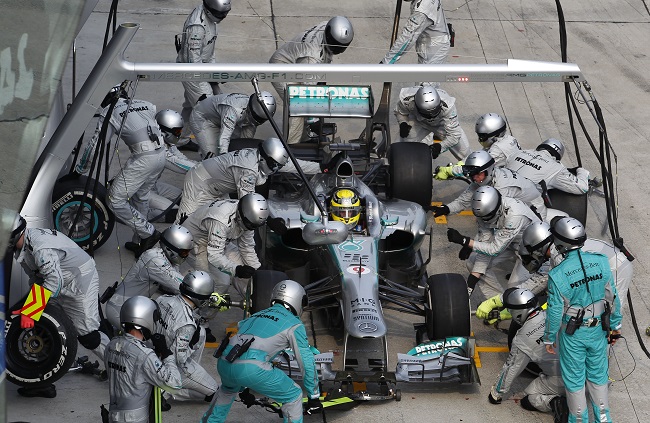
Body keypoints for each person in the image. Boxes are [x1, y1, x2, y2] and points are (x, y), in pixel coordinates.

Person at [8, 214, 110, 398]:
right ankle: (41, 381)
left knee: (89, 336)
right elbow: (40, 278)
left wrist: (31, 310)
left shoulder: (40, 248)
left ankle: (123, 371)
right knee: (41, 322)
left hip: (79, 280)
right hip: (61, 280)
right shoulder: (24, 244)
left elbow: (54, 280)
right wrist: (30, 308)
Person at [201, 280, 320, 423]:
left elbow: (245, 345)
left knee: (226, 390)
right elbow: (306, 361)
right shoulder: (294, 324)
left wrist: (244, 387)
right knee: (293, 395)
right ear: (297, 300)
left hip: (225, 362)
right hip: (251, 368)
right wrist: (314, 396)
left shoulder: (256, 316)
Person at [543, 217, 622, 422]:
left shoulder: (557, 275)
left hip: (573, 335)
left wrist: (549, 338)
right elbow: (612, 297)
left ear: (560, 243)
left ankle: (578, 420)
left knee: (574, 381)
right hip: (598, 331)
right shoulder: (601, 261)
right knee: (598, 378)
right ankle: (604, 419)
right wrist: (615, 326)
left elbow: (554, 312)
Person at [175, 137, 326, 223]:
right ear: (264, 158)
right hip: (199, 183)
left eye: (278, 166)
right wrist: (270, 221)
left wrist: (323, 167)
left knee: (218, 223)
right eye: (274, 165)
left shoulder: (263, 158)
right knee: (184, 226)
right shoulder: (247, 170)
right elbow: (248, 205)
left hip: (219, 188)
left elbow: (294, 165)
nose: (275, 170)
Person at [88, 90, 164, 257]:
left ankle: (149, 233)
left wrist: (81, 168)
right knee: (141, 196)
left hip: (144, 158)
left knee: (114, 200)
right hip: (161, 155)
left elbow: (98, 143)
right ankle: (141, 242)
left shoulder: (111, 110)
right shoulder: (146, 103)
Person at [488, 288, 568, 422]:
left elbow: (511, 368)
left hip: (564, 380)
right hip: (593, 373)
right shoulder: (555, 312)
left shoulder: (523, 338)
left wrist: (496, 394)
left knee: (527, 398)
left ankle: (555, 402)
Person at [269, 16, 354, 144]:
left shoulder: (328, 26)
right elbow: (307, 94)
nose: (339, 51)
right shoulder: (311, 58)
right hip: (281, 68)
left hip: (296, 62)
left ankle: (304, 140)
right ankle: (291, 148)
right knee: (297, 107)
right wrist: (314, 121)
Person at [446, 186, 541, 299]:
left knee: (515, 292)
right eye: (482, 218)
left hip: (532, 252)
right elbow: (485, 247)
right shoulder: (486, 212)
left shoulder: (514, 216)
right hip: (511, 243)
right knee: (472, 262)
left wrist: (465, 241)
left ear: (496, 208)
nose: (485, 221)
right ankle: (496, 302)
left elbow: (494, 249)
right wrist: (470, 285)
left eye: (487, 217)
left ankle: (509, 304)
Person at [182, 193, 285, 296]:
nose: (251, 228)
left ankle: (258, 307)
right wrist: (236, 269)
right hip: (196, 243)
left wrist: (258, 273)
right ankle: (200, 310)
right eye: (250, 226)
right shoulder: (221, 220)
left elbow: (247, 247)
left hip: (220, 241)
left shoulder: (248, 216)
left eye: (254, 226)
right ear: (241, 217)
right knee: (222, 282)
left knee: (251, 279)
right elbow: (214, 255)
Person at [105, 296, 182, 423]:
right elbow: (175, 384)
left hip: (113, 415)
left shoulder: (111, 345)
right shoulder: (144, 355)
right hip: (135, 418)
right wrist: (167, 355)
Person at [154, 271, 226, 405]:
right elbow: (178, 359)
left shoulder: (163, 299)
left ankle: (164, 388)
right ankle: (163, 392)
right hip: (172, 366)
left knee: (202, 332)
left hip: (153, 355)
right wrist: (191, 345)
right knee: (216, 393)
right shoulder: (187, 324)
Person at [105, 225, 194, 329]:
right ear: (170, 249)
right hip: (120, 310)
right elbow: (181, 285)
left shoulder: (165, 256)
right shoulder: (156, 261)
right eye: (184, 252)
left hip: (132, 306)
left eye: (188, 252)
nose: (186, 255)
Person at [430, 150, 547, 221]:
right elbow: (463, 201)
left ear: (488, 170)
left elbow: (502, 218)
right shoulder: (483, 179)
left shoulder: (502, 188)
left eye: (477, 174)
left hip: (534, 208)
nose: (474, 178)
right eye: (472, 174)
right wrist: (447, 209)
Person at [175, 0, 232, 147]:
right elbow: (193, 61)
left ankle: (180, 140)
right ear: (209, 10)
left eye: (226, 13)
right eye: (220, 14)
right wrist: (209, 77)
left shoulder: (210, 19)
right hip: (192, 73)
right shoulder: (197, 28)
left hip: (203, 68)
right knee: (208, 110)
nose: (224, 16)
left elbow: (209, 51)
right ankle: (212, 149)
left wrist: (214, 74)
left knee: (191, 107)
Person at [146, 109, 198, 224]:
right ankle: (137, 212)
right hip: (141, 191)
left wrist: (201, 164)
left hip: (153, 186)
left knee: (185, 200)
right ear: (164, 132)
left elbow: (182, 158)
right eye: (177, 131)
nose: (179, 134)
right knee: (176, 214)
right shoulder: (156, 148)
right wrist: (203, 168)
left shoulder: (165, 141)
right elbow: (177, 163)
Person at [189, 91, 277, 159]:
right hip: (203, 118)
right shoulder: (233, 110)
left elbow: (246, 142)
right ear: (251, 110)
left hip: (223, 119)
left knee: (236, 147)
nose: (259, 121)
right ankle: (204, 148)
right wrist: (224, 158)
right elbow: (224, 137)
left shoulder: (255, 109)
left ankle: (208, 143)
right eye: (257, 118)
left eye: (261, 120)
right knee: (213, 158)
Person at [394, 85, 471, 161]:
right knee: (403, 147)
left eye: (434, 112)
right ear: (416, 104)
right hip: (419, 121)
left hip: (442, 124)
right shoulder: (407, 100)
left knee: (465, 153)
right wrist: (403, 123)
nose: (430, 117)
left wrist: (440, 147)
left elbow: (454, 135)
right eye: (426, 113)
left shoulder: (448, 106)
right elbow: (400, 112)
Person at [380, 0, 451, 72]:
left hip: (434, 51)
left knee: (425, 82)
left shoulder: (422, 10)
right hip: (431, 45)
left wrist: (386, 62)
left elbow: (407, 38)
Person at [505, 138, 591, 195]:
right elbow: (582, 188)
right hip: (517, 203)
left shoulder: (518, 152)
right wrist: (581, 171)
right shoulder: (557, 169)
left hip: (497, 190)